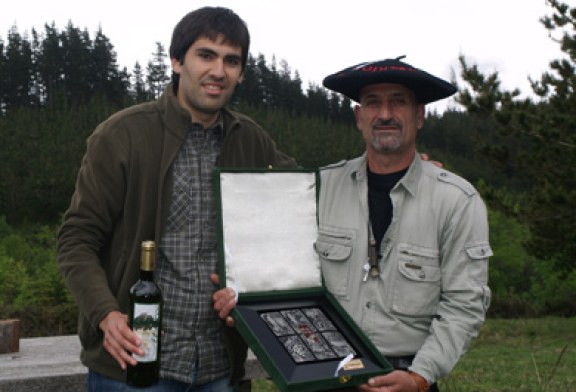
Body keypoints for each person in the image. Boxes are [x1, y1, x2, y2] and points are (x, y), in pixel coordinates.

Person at [214, 56, 492, 392]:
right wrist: (240, 292)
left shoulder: (457, 202)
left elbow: (464, 305)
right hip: (322, 375)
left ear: (420, 115)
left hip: (408, 377)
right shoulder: (317, 190)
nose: (385, 114)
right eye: (373, 103)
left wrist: (419, 377)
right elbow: (278, 269)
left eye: (398, 102)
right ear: (359, 117)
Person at [56, 6, 295, 392]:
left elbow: (303, 200)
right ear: (176, 60)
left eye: (231, 60)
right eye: (206, 55)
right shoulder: (122, 135)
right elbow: (76, 240)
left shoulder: (252, 141)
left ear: (242, 72)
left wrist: (397, 166)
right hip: (133, 366)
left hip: (219, 366)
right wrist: (106, 314)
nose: (219, 71)